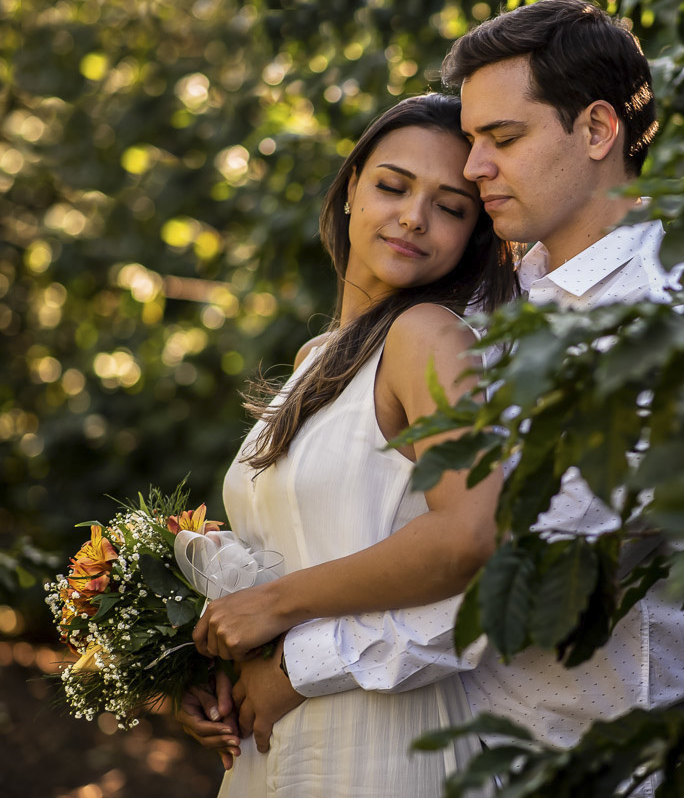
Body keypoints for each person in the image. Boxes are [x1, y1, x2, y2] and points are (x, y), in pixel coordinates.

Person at [191, 0, 684, 793]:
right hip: (470, 752)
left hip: (610, 755)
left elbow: (523, 572)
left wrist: (289, 668)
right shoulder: (515, 302)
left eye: (502, 139)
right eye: (474, 140)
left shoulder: (654, 322)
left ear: (595, 131)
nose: (475, 168)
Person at [175, 92, 519, 797]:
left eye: (451, 207)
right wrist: (210, 671)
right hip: (271, 743)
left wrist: (278, 609)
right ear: (353, 185)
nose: (414, 217)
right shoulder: (316, 356)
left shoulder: (430, 335)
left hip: (385, 743)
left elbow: (470, 537)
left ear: (473, 236)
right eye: (393, 186)